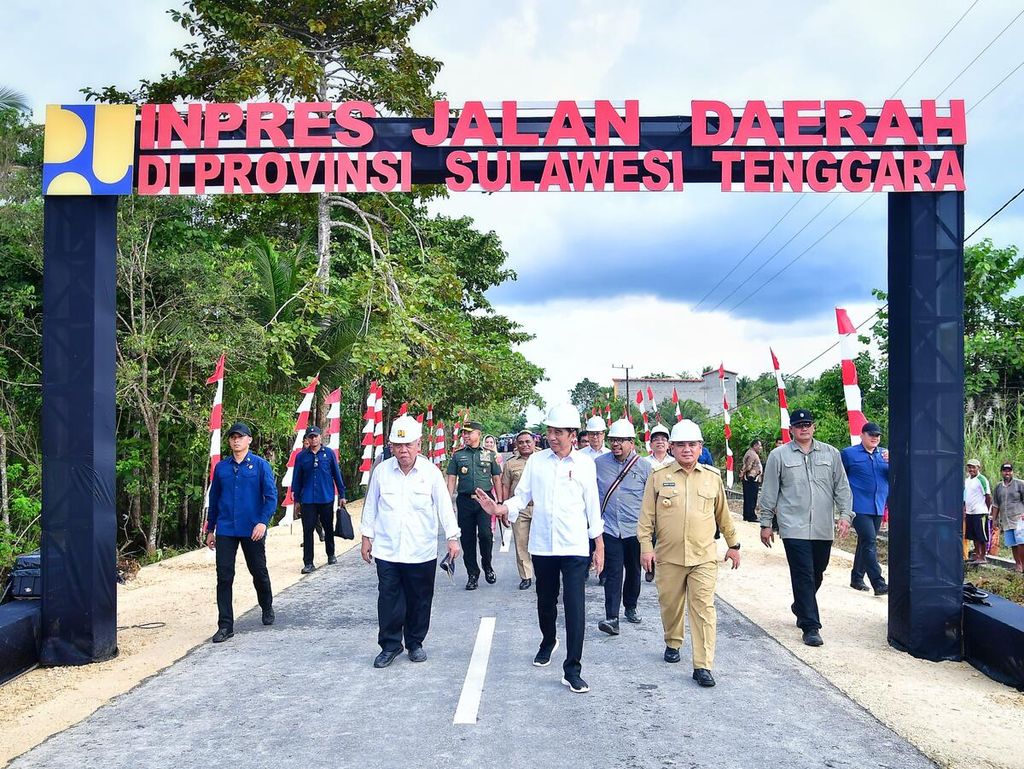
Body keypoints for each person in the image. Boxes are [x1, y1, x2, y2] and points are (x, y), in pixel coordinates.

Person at [475, 403, 604, 694]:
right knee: (545, 601)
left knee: (575, 606)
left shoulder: (585, 464)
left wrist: (599, 544)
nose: (553, 437)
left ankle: (572, 668)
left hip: (574, 546)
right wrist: (499, 508)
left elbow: (593, 508)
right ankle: (548, 640)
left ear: (573, 434)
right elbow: (521, 498)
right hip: (543, 545)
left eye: (559, 432)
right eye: (550, 431)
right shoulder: (537, 462)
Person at [637, 419, 740, 688]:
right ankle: (673, 640)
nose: (686, 449)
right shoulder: (659, 477)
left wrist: (733, 544)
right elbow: (646, 518)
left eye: (692, 444)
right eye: (680, 444)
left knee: (704, 608)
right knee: (671, 605)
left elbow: (723, 516)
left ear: (700, 447)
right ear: (671, 447)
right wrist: (646, 548)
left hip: (703, 556)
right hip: (668, 557)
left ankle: (703, 665)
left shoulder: (712, 478)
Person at [360, 415, 461, 668]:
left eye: (408, 445)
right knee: (388, 599)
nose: (403, 451)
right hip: (387, 549)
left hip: (421, 550)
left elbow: (444, 507)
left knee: (419, 599)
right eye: (397, 445)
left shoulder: (431, 473)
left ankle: (415, 642)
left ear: (419, 445)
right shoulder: (382, 472)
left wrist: (452, 537)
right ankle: (390, 645)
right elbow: (371, 505)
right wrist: (366, 537)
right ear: (392, 446)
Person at [758, 408, 852, 647]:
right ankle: (810, 625)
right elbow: (769, 491)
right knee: (803, 574)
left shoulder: (831, 454)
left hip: (822, 526)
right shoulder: (779, 456)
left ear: (814, 427)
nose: (804, 428)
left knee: (817, 572)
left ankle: (801, 605)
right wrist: (766, 523)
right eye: (799, 425)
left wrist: (845, 515)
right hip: (793, 526)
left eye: (808, 424)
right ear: (791, 429)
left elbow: (842, 487)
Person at [205, 422, 277, 644]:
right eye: (232, 437)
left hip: (251, 528)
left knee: (258, 571)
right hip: (226, 528)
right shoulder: (222, 468)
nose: (236, 440)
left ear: (249, 440)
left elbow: (271, 497)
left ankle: (266, 605)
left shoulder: (260, 465)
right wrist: (210, 529)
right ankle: (225, 625)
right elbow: (214, 499)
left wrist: (262, 522)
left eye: (240, 437)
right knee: (224, 577)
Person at [595, 419, 651, 635]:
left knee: (634, 570)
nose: (616, 444)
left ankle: (631, 606)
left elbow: (651, 501)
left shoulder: (645, 468)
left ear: (631, 442)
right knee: (613, 572)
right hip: (609, 528)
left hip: (635, 530)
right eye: (613, 440)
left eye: (621, 440)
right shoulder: (599, 463)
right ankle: (612, 617)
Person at [447, 421, 503, 590]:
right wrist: (448, 502)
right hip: (464, 501)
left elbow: (496, 478)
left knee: (486, 535)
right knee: (467, 539)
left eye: (469, 433)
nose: (465, 436)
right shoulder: (457, 455)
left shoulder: (489, 455)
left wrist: (499, 502)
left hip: (484, 501)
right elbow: (451, 479)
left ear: (478, 434)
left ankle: (487, 564)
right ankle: (473, 574)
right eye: (464, 433)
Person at [840, 422, 889, 595]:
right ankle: (878, 582)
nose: (875, 438)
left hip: (877, 506)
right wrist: (842, 508)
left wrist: (895, 462)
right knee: (869, 541)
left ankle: (857, 578)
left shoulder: (884, 455)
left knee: (864, 542)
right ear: (862, 435)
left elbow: (892, 478)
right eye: (871, 434)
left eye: (877, 435)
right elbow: (839, 479)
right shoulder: (848, 454)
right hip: (858, 507)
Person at [292, 425, 347, 574]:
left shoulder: (328, 454)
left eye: (315, 436)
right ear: (307, 439)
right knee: (307, 530)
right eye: (310, 437)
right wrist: (296, 500)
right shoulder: (301, 457)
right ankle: (308, 562)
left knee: (328, 526)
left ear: (320, 437)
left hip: (326, 497)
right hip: (308, 499)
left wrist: (342, 495)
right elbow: (296, 479)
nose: (313, 439)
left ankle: (331, 554)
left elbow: (336, 474)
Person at [501, 429, 538, 590]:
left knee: (541, 543)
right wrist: (504, 508)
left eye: (528, 441)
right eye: (521, 442)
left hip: (541, 509)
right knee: (521, 544)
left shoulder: (543, 458)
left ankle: (544, 573)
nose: (525, 445)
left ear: (534, 442)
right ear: (516, 444)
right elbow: (506, 486)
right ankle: (526, 576)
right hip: (521, 509)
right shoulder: (510, 463)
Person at [992, 462, 1024, 573]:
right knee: (1013, 543)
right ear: (1001, 472)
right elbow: (996, 503)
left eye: (1009, 470)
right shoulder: (998, 486)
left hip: (1019, 518)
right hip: (1006, 519)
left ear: (1012, 472)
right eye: (1005, 470)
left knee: (1021, 542)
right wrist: (994, 519)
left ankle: (1023, 565)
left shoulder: (1020, 484)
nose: (1007, 473)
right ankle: (1018, 565)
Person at [963, 458, 992, 565]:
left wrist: (987, 509)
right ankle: (977, 554)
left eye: (973, 467)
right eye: (969, 467)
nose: (971, 469)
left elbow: (988, 496)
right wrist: (965, 508)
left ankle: (983, 556)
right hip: (970, 511)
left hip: (980, 511)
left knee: (981, 535)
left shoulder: (982, 479)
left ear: (978, 468)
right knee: (973, 535)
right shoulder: (967, 480)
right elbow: (966, 496)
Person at [740, 439, 763, 522]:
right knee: (751, 498)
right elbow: (748, 466)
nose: (760, 448)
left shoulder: (751, 453)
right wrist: (744, 474)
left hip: (751, 479)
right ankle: (751, 516)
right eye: (759, 446)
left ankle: (747, 515)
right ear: (755, 446)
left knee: (748, 498)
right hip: (751, 479)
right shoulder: (752, 455)